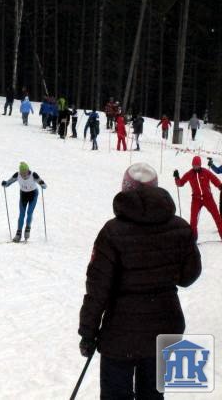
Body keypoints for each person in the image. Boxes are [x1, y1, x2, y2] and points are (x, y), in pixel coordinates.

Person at [79, 162, 201, 400]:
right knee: (153, 395)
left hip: (120, 334)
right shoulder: (179, 227)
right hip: (165, 327)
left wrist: (88, 332)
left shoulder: (112, 232)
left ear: (126, 188)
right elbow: (189, 276)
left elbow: (98, 288)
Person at [174, 156, 222, 240]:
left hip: (208, 198)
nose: (195, 167)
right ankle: (193, 239)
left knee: (217, 218)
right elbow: (180, 183)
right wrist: (177, 178)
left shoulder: (205, 172)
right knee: (193, 221)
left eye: (197, 165)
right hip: (196, 199)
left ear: (200, 165)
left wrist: (220, 186)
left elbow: (214, 179)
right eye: (194, 165)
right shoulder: (190, 173)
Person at [1, 162, 47, 242]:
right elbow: (8, 183)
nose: (24, 174)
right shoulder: (17, 175)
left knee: (29, 212)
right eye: (22, 173)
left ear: (28, 170)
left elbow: (44, 185)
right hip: (23, 195)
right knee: (21, 214)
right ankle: (18, 234)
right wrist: (5, 183)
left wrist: (42, 184)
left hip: (33, 195)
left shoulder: (33, 175)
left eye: (25, 172)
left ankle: (27, 230)